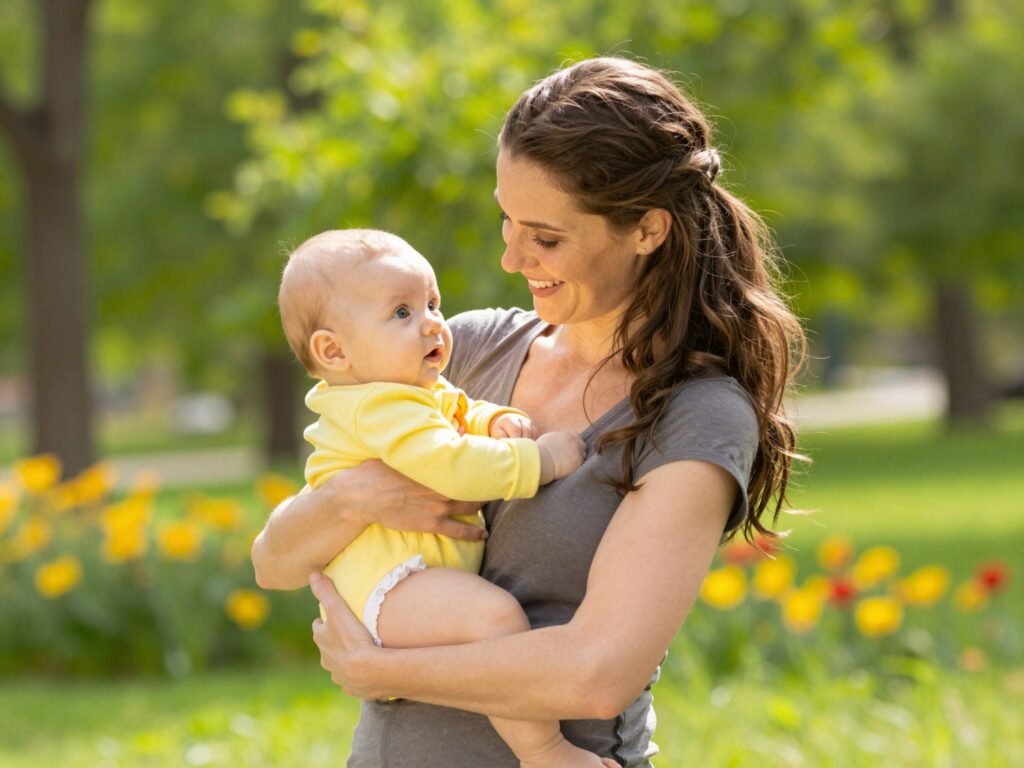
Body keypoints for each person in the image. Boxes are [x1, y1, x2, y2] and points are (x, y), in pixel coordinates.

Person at [252, 56, 805, 767]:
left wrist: (379, 669)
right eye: (507, 222)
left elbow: (598, 673)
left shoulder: (696, 414)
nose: (512, 259)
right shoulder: (463, 349)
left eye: (546, 238)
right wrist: (352, 498)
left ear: (647, 229)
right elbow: (274, 561)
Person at [275, 228, 606, 767]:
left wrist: (494, 420)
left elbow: (457, 409)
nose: (432, 322)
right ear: (333, 350)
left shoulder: (406, 389)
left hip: (409, 577)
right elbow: (451, 464)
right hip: (389, 585)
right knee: (493, 620)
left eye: (432, 303)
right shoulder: (376, 408)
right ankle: (545, 752)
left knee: (485, 626)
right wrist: (539, 461)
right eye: (401, 312)